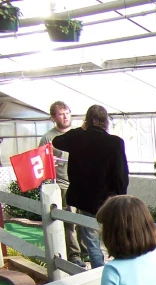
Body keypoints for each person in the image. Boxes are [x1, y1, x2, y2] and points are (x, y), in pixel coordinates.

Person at [53, 104, 129, 269]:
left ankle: (98, 272)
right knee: (114, 235)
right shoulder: (115, 142)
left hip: (86, 200)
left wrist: (82, 129)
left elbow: (57, 141)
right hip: (110, 199)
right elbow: (122, 174)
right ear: (106, 121)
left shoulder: (77, 138)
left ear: (87, 120)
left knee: (92, 239)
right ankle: (119, 268)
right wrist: (121, 196)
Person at [38, 101, 87, 268]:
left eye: (67, 112)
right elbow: (40, 161)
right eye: (61, 114)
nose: (65, 116)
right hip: (62, 184)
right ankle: (74, 255)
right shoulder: (48, 137)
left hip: (81, 182)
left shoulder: (79, 133)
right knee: (69, 221)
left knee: (84, 218)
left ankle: (86, 251)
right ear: (53, 117)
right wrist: (49, 161)